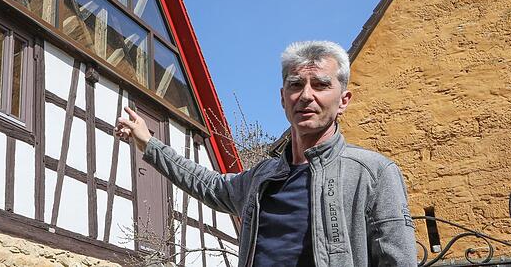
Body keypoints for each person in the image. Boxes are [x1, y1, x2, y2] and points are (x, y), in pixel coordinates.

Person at [116, 40, 417, 267]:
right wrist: (148, 143)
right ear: (283, 98)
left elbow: (398, 261)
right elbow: (209, 184)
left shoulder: (373, 173)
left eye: (321, 85)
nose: (306, 95)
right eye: (296, 85)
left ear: (343, 100)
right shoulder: (263, 177)